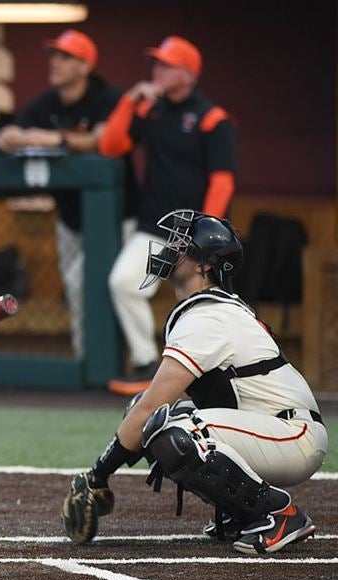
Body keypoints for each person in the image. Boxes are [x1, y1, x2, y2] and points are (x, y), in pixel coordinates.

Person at [62, 210, 326, 556]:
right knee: (153, 420)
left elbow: (153, 405)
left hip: (291, 434)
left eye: (183, 245)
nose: (171, 249)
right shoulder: (204, 310)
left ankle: (276, 512)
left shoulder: (209, 317)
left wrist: (98, 474)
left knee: (173, 432)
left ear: (204, 265)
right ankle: (241, 513)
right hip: (270, 427)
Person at [98, 36, 237, 395]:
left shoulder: (212, 119)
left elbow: (222, 182)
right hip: (158, 228)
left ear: (189, 75)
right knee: (124, 282)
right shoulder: (151, 109)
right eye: (156, 64)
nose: (157, 71)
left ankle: (219, 377)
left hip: (198, 233)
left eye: (167, 65)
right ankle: (147, 364)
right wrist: (130, 101)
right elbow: (111, 145)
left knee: (208, 305)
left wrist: (207, 235)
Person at [0, 30, 131, 357]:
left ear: (85, 66)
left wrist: (54, 139)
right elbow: (15, 131)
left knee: (93, 287)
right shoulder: (45, 104)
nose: (55, 63)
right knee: (76, 289)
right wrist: (10, 136)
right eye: (54, 56)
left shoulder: (108, 98)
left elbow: (102, 140)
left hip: (114, 216)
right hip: (69, 217)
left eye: (65, 57)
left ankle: (105, 360)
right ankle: (87, 359)